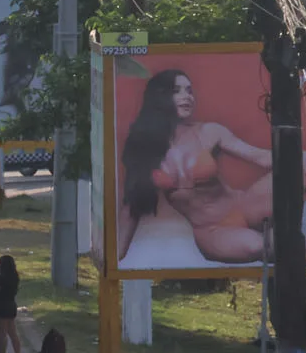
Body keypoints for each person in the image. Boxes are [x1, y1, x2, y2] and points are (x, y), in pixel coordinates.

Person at [117, 67, 294, 265]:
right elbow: (130, 207)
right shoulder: (144, 148)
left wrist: (298, 157)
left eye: (189, 91)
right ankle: (291, 240)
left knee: (293, 173)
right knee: (258, 246)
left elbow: (259, 157)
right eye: (177, 91)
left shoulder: (209, 132)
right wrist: (115, 257)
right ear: (159, 97)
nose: (187, 97)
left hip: (242, 206)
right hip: (211, 229)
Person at [0, 253, 24, 353]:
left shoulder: (1, 278)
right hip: (11, 304)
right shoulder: (15, 277)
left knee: (2, 333)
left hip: (2, 306)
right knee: (13, 332)